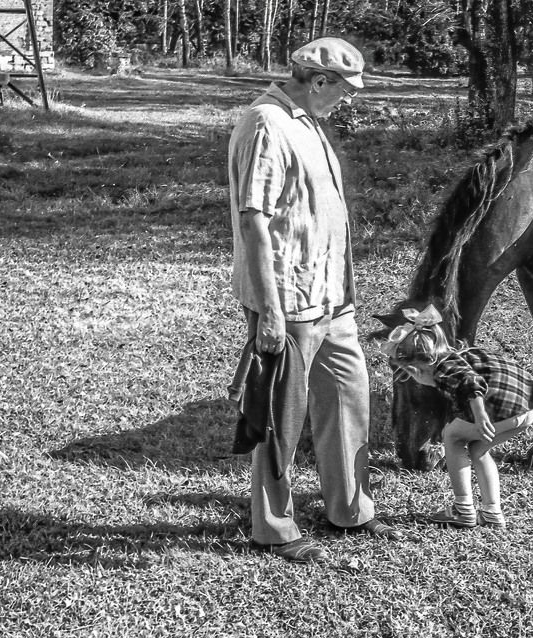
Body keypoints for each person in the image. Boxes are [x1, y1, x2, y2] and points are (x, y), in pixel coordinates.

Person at [226, 36, 402, 564]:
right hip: (291, 298)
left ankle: (350, 510)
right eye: (345, 89)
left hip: (331, 295)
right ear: (319, 81)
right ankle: (274, 529)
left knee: (350, 399)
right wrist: (271, 308)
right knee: (281, 416)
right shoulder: (265, 123)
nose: (349, 98)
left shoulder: (308, 121)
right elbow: (253, 219)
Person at [383, 306, 533, 529]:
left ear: (416, 369)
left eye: (409, 373)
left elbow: (471, 383)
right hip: (529, 406)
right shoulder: (457, 355)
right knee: (478, 449)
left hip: (504, 406)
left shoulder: (443, 368)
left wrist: (480, 417)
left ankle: (463, 509)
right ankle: (492, 512)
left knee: (452, 436)